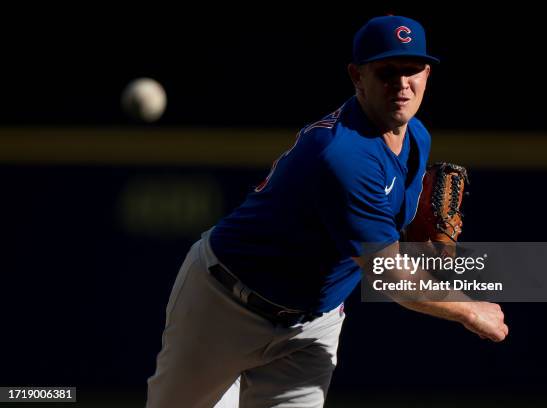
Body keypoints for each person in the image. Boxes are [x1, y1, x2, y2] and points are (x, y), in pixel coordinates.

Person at [146, 15, 508, 408]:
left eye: (413, 70)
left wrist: (423, 250)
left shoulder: (416, 136)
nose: (403, 84)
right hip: (224, 306)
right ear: (357, 76)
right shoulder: (343, 156)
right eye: (387, 71)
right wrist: (468, 309)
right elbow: (389, 275)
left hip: (312, 325)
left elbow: (387, 239)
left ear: (427, 74)